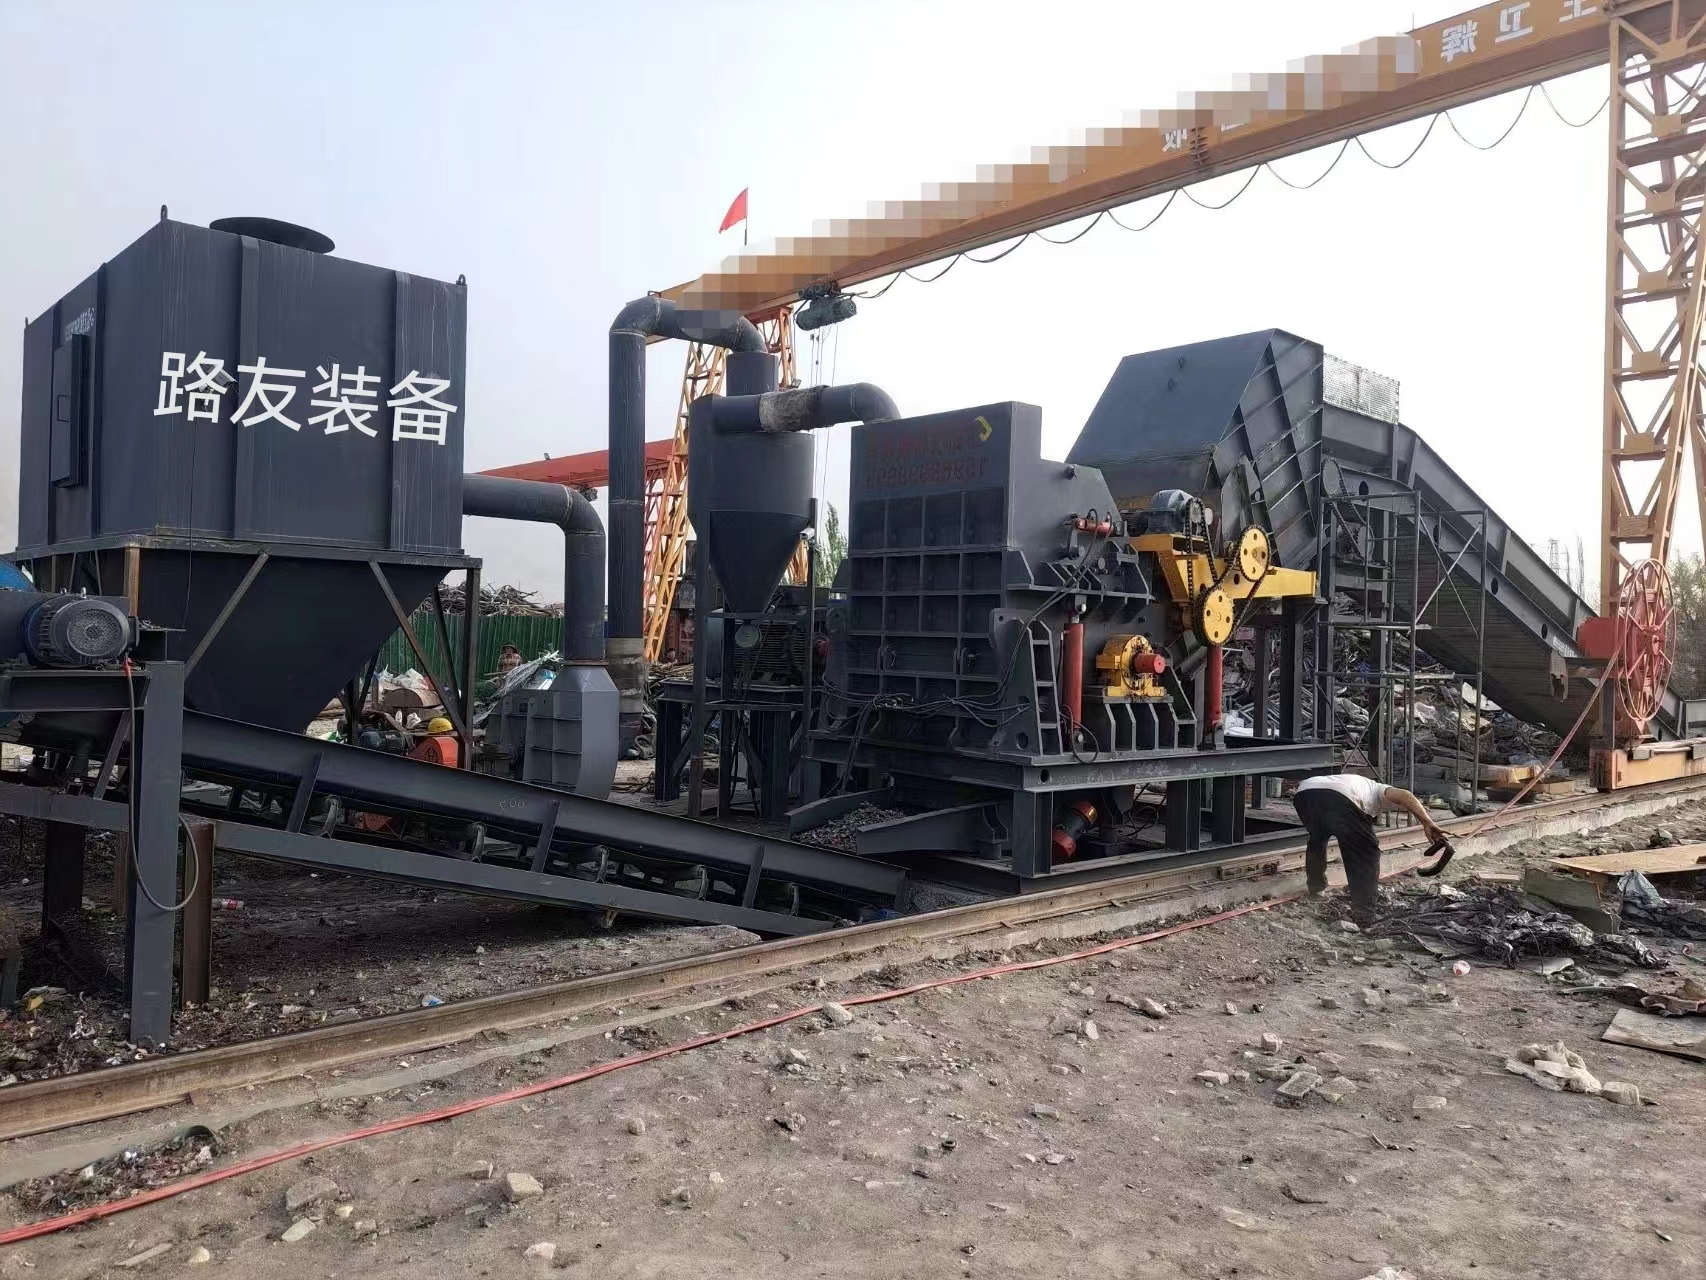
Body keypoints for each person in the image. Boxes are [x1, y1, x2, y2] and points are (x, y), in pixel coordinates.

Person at [1292, 774, 1446, 919]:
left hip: (1304, 794)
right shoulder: (1379, 789)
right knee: (1366, 852)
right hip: (1340, 795)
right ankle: (1364, 913)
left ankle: (1316, 890)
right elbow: (1405, 795)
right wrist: (1427, 822)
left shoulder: (1360, 786)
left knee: (1318, 838)